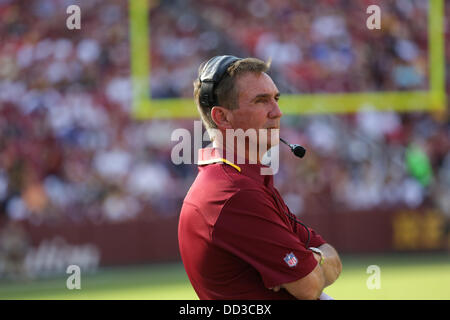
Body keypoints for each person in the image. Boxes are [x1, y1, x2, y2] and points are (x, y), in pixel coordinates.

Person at [178, 55, 342, 300]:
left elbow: (331, 256)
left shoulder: (242, 179)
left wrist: (313, 260)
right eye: (261, 101)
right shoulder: (233, 192)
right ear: (222, 117)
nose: (277, 112)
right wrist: (314, 262)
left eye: (276, 98)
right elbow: (309, 286)